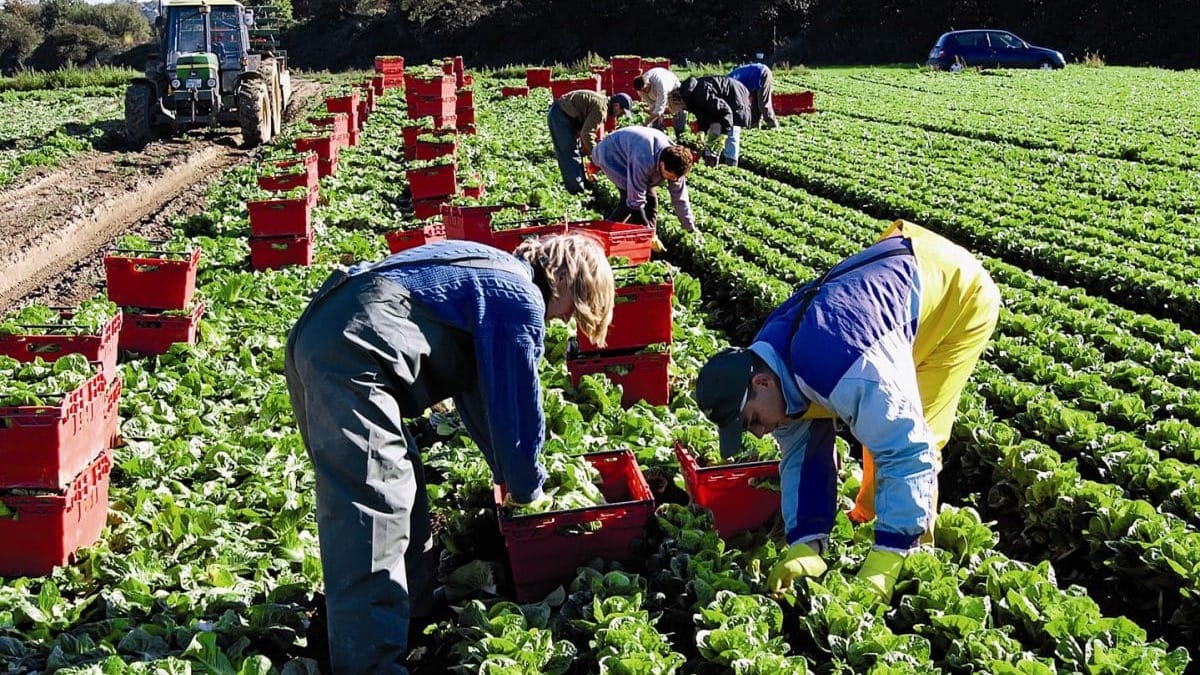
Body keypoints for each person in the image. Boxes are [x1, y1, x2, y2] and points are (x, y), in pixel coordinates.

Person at [284, 235, 615, 674]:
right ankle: (370, 665)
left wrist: (507, 475)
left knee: (401, 480)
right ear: (570, 285)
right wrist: (527, 490)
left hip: (326, 328)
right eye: (573, 311)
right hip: (349, 353)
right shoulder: (519, 299)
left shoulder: (496, 272)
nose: (563, 320)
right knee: (372, 512)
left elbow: (480, 397)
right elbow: (517, 406)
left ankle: (413, 609)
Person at [694, 219, 1001, 602]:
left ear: (761, 384)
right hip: (891, 276)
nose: (758, 433)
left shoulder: (846, 366)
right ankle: (873, 517)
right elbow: (800, 457)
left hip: (956, 294)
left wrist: (886, 560)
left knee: (916, 432)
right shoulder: (770, 369)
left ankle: (910, 549)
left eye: (752, 421)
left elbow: (909, 450)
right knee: (878, 421)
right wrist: (806, 542)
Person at [590, 125, 696, 232]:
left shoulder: (678, 164)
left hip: (633, 151)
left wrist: (690, 228)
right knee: (628, 200)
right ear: (662, 165)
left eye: (676, 178)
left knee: (651, 201)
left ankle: (647, 239)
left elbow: (680, 199)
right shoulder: (644, 158)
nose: (673, 180)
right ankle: (603, 234)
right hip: (611, 154)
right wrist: (646, 230)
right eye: (671, 176)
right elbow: (635, 201)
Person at [548, 90, 633, 194]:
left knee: (576, 151)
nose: (621, 115)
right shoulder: (601, 109)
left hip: (566, 116)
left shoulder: (602, 104)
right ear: (616, 105)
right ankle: (576, 190)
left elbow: (586, 132)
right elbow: (587, 133)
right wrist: (596, 155)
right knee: (569, 152)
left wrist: (591, 150)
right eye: (622, 111)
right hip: (560, 116)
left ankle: (582, 182)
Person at [667, 75, 752, 167]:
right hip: (721, 105)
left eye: (675, 108)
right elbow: (703, 113)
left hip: (735, 97)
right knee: (714, 134)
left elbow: (726, 111)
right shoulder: (690, 97)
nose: (680, 111)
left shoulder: (701, 93)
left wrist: (724, 134)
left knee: (731, 135)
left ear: (679, 102)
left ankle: (731, 167)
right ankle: (711, 165)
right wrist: (702, 130)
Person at [634, 67, 687, 136]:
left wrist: (645, 123)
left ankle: (680, 133)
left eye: (645, 88)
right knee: (655, 113)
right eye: (642, 90)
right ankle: (658, 133)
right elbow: (653, 106)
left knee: (677, 109)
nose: (645, 91)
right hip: (657, 93)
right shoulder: (641, 91)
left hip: (672, 87)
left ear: (648, 83)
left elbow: (660, 108)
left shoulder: (659, 83)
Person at [728, 62, 778, 129]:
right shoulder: (728, 83)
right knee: (755, 104)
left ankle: (773, 125)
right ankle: (754, 126)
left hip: (762, 73)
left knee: (763, 104)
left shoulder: (731, 84)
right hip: (752, 79)